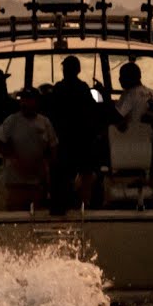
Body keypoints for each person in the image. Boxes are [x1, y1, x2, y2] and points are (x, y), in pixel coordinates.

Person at [50, 55, 101, 209]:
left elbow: (51, 112)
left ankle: (62, 203)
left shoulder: (58, 88)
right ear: (78, 70)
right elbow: (94, 109)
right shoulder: (84, 88)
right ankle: (85, 203)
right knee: (85, 172)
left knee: (62, 172)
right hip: (83, 139)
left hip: (64, 138)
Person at [0, 87, 58, 211]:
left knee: (37, 216)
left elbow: (53, 147)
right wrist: (13, 158)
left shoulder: (45, 122)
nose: (25, 103)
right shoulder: (11, 121)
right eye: (23, 99)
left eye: (29, 100)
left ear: (36, 102)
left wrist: (48, 167)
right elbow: (0, 140)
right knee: (15, 216)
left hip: (37, 183)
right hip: (15, 183)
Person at [116, 61, 153, 144]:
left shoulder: (129, 94)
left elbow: (115, 117)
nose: (119, 79)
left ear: (129, 78)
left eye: (122, 76)